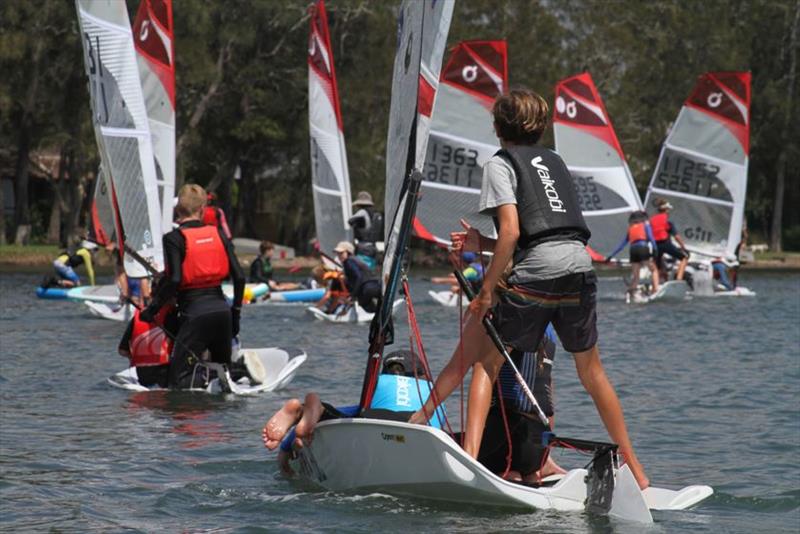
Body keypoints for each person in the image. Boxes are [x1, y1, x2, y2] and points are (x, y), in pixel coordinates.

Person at [409, 88, 649, 489]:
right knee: (593, 372)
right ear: (539, 126)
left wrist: (486, 292)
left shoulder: (500, 164)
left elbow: (513, 231)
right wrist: (479, 245)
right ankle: (638, 473)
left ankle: (469, 464)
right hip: (578, 265)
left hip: (538, 269)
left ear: (497, 127)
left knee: (486, 363)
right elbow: (543, 233)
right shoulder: (555, 161)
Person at [140, 184, 251, 390]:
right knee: (221, 375)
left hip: (194, 315)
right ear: (202, 209)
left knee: (177, 383)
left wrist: (152, 309)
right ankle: (240, 370)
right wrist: (235, 314)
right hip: (222, 314)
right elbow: (240, 277)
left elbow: (174, 280)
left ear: (177, 210)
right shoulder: (218, 233)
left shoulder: (173, 239)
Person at [262, 351, 446, 475]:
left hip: (374, 423)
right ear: (423, 376)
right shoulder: (434, 392)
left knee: (334, 415)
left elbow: (349, 415)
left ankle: (307, 409)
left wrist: (285, 451)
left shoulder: (381, 383)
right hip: (414, 430)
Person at [118, 304, 176, 388]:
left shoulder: (136, 318)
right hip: (165, 372)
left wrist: (133, 358)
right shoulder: (171, 315)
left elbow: (122, 351)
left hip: (142, 374)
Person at [605, 211, 660, 298]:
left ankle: (630, 293)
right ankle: (655, 290)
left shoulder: (631, 228)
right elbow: (651, 238)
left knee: (636, 276)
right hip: (643, 248)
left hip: (633, 250)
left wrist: (610, 256)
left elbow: (622, 244)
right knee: (654, 270)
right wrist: (655, 249)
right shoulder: (645, 225)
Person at [333, 241, 381, 314]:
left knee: (363, 303)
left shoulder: (348, 262)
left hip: (367, 289)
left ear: (348, 252)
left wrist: (353, 294)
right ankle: (379, 312)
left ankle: (375, 314)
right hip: (377, 286)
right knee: (373, 305)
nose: (339, 255)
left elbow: (358, 277)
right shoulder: (355, 259)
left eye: (341, 253)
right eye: (338, 253)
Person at [650, 198, 689, 281]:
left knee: (658, 265)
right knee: (684, 258)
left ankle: (656, 286)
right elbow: (677, 237)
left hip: (655, 245)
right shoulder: (668, 222)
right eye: (668, 210)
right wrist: (683, 247)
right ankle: (678, 279)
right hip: (665, 244)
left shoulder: (652, 220)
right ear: (666, 210)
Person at [348, 191, 383, 270]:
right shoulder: (375, 214)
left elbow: (350, 221)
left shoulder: (362, 212)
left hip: (363, 249)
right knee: (368, 273)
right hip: (372, 249)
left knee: (360, 273)